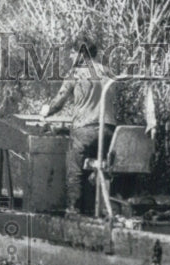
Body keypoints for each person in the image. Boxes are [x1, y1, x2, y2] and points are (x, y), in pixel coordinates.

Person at [40, 39, 156, 215]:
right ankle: (97, 205)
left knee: (74, 166)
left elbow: (59, 102)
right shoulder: (109, 72)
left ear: (81, 53)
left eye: (72, 52)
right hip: (109, 132)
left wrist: (45, 112)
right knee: (94, 162)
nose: (70, 56)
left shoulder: (75, 73)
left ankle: (73, 209)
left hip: (85, 130)